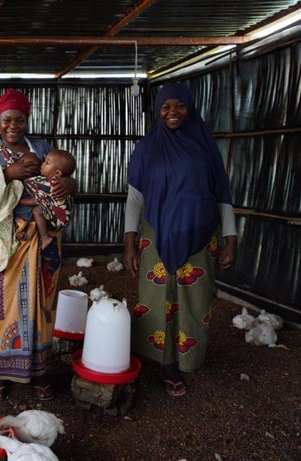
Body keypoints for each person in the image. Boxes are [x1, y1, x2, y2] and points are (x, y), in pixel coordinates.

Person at [123, 83, 237, 397]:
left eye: (180, 106)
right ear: (157, 110)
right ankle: (163, 363)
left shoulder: (205, 144)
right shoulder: (148, 147)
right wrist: (130, 242)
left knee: (195, 300)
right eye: (165, 107)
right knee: (156, 299)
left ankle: (188, 359)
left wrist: (230, 238)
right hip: (156, 234)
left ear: (190, 107)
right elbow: (135, 196)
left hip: (201, 236)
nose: (172, 112)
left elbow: (222, 195)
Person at [0, 88, 75, 401]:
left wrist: (70, 183)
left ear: (26, 120)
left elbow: (63, 176)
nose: (13, 125)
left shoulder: (42, 149)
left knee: (41, 307)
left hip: (40, 242)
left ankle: (40, 372)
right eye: (7, 119)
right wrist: (6, 173)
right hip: (3, 244)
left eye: (19, 119)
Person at [16, 148, 76, 250]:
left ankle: (45, 238)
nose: (42, 164)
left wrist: (20, 201)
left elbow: (38, 200)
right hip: (64, 217)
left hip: (58, 218)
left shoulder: (49, 184)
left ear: (57, 173)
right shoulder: (54, 182)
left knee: (37, 210)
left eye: (46, 163)